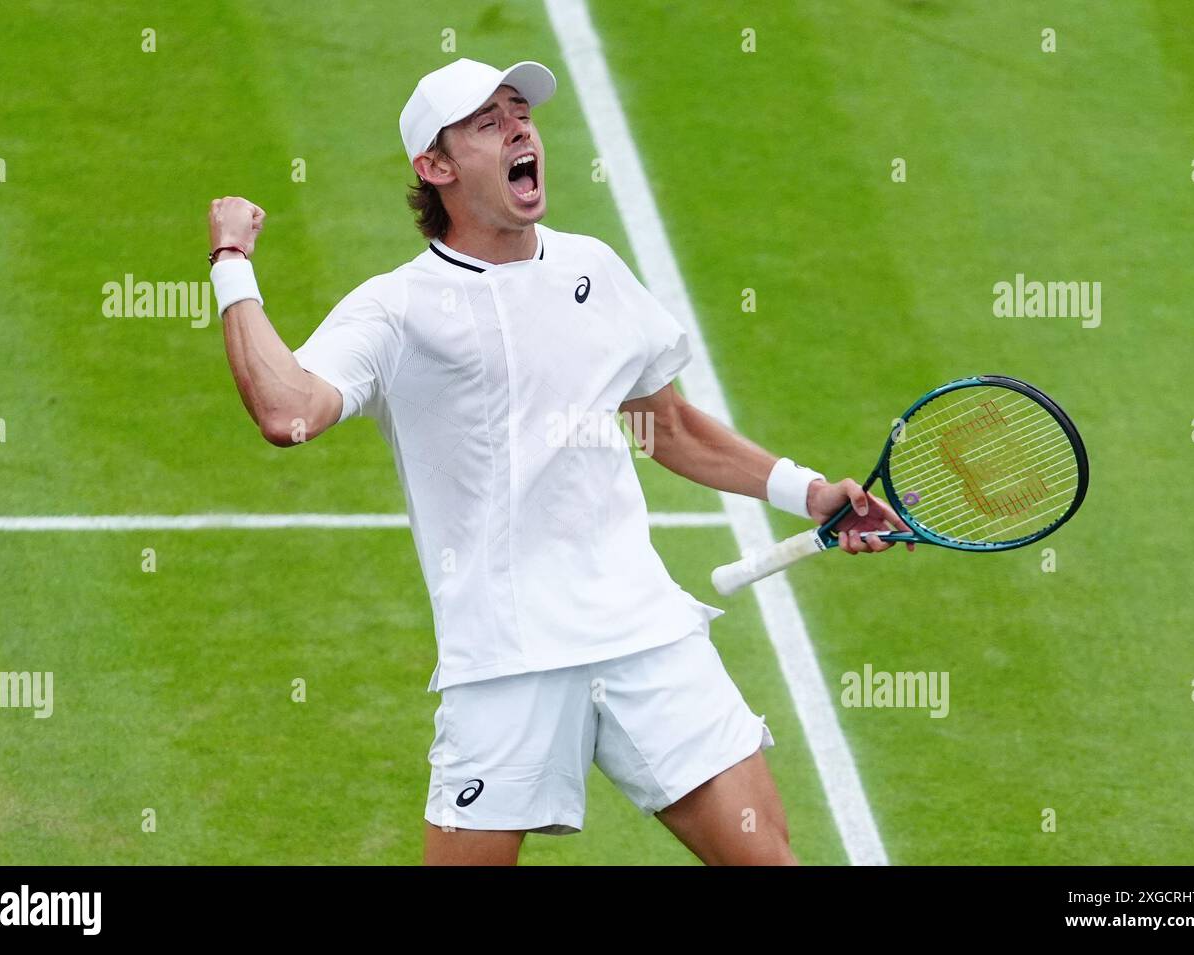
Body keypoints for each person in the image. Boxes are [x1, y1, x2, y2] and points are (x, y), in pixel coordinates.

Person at [207, 58, 908, 865]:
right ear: (435, 169)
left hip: (642, 632)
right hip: (505, 659)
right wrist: (233, 263)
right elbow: (288, 411)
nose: (518, 127)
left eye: (520, 112)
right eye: (485, 122)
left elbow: (666, 426)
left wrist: (812, 492)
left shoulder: (592, 269)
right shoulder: (396, 310)